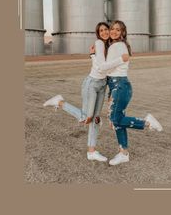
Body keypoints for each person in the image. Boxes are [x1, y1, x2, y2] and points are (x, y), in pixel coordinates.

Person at [43, 22, 129, 162]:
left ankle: (91, 151)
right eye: (101, 31)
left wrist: (92, 56)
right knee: (86, 117)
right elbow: (101, 68)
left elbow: (102, 66)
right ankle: (59, 102)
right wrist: (120, 60)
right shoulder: (100, 43)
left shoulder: (109, 46)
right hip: (92, 84)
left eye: (106, 29)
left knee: (95, 119)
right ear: (98, 33)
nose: (104, 32)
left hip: (102, 85)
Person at [91, 20, 163, 166]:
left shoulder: (117, 46)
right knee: (117, 121)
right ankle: (123, 153)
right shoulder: (116, 46)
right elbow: (109, 68)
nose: (114, 32)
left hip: (120, 85)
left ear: (123, 32)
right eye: (113, 29)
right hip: (117, 86)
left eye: (118, 30)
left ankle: (147, 123)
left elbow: (103, 68)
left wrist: (93, 55)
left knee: (115, 120)